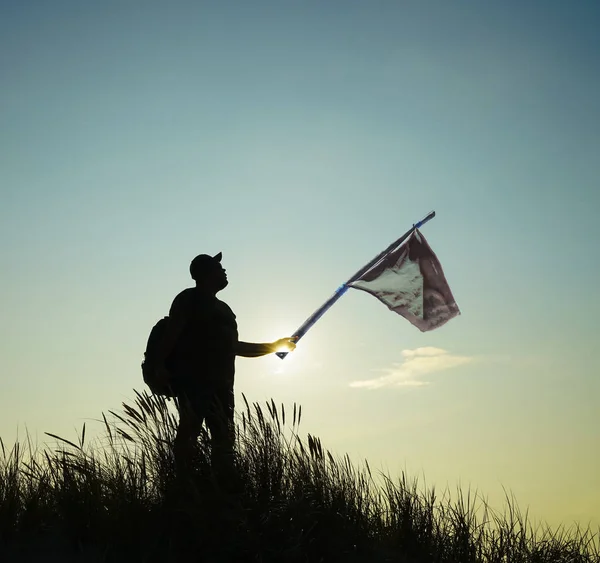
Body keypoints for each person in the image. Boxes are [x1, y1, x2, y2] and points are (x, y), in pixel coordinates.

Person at [153, 251, 296, 484]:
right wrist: (158, 365)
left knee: (224, 439)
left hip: (222, 387)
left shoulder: (224, 309)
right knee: (189, 433)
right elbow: (172, 334)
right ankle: (183, 485)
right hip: (195, 382)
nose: (224, 271)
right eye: (219, 268)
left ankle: (223, 487)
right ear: (207, 273)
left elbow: (233, 347)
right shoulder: (188, 299)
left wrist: (273, 347)